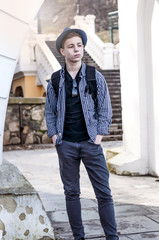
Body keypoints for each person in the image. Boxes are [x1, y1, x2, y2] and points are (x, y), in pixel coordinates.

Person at [45, 27, 119, 240]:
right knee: (71, 194)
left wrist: (99, 136)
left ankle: (112, 238)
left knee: (104, 194)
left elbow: (105, 108)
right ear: (62, 51)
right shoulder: (56, 80)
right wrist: (54, 135)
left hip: (90, 143)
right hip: (66, 144)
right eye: (71, 46)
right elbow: (50, 110)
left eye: (79, 45)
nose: (76, 50)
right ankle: (79, 237)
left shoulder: (95, 76)